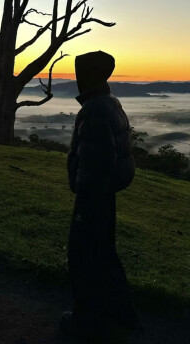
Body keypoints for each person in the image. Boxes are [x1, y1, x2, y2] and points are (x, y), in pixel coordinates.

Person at [63, 50, 141, 342]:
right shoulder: (110, 102)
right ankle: (120, 313)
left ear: (89, 76)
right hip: (106, 195)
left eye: (79, 73)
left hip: (93, 197)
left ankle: (88, 324)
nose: (76, 79)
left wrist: (83, 195)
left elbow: (96, 162)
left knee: (84, 258)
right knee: (104, 254)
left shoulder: (94, 109)